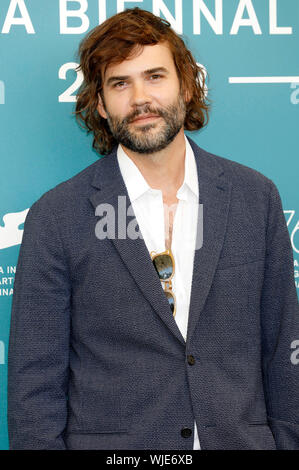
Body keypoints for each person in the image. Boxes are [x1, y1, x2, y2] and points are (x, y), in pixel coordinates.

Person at [7, 7, 299, 450]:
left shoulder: (255, 198)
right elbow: (34, 383)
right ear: (101, 104)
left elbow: (285, 353)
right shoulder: (57, 216)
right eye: (120, 83)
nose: (140, 98)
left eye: (155, 76)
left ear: (186, 84)